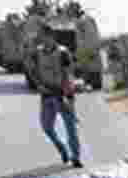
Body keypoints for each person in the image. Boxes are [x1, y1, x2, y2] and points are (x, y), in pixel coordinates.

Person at [29, 22, 83, 168]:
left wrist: (68, 97)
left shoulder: (63, 52)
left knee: (70, 128)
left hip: (62, 94)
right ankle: (62, 148)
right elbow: (32, 71)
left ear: (51, 36)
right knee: (46, 127)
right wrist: (38, 85)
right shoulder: (37, 53)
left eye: (44, 36)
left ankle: (76, 157)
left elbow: (69, 75)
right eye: (41, 36)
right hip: (46, 95)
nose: (42, 39)